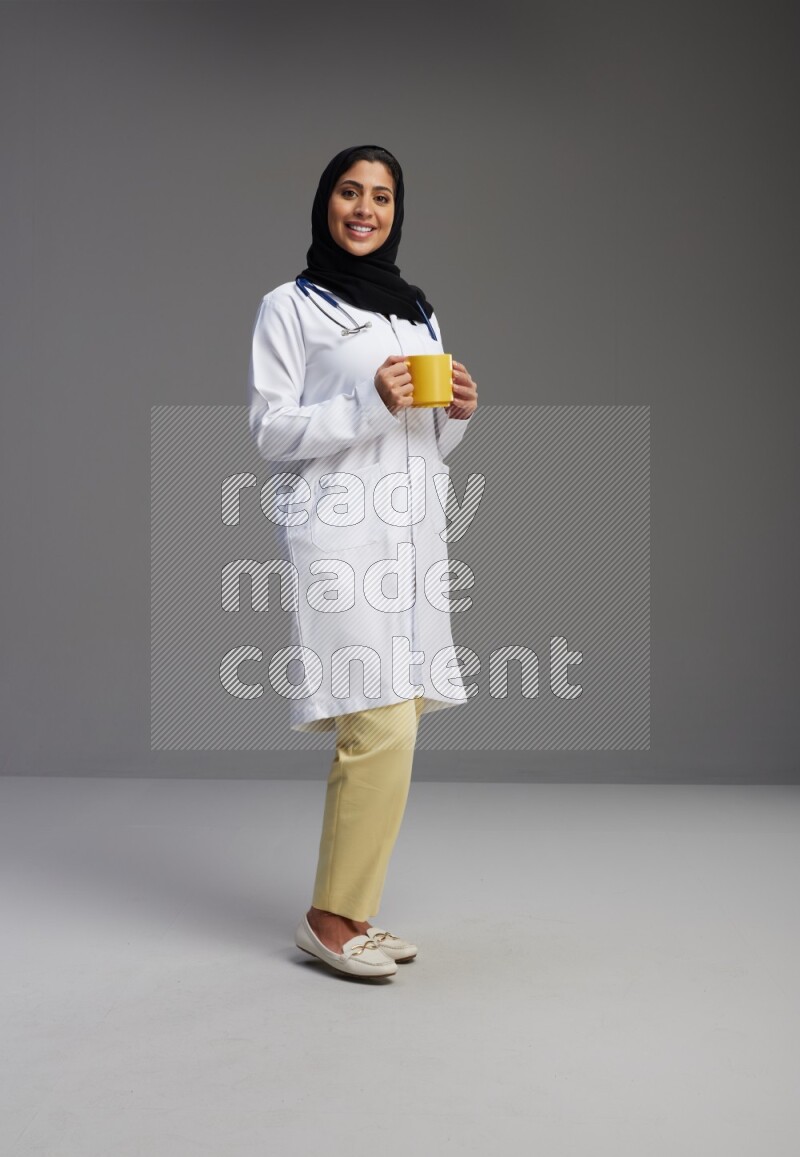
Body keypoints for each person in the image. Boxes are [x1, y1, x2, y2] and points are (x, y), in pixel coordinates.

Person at [247, 145, 479, 980]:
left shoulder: (416, 310)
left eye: (381, 197)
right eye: (350, 192)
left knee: (396, 720)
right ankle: (327, 920)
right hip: (339, 532)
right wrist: (365, 399)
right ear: (325, 202)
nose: (365, 208)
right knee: (373, 716)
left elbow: (425, 441)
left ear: (396, 212)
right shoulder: (291, 306)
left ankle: (353, 913)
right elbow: (271, 430)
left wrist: (455, 414)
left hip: (412, 533)